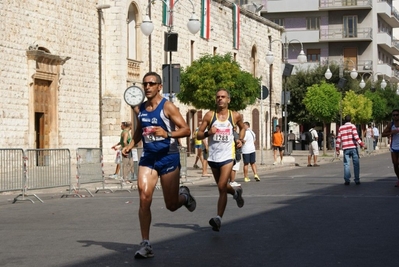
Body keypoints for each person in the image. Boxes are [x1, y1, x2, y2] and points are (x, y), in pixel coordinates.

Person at [122, 72, 195, 259]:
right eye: (145, 84)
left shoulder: (167, 107)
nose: (147, 87)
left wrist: (167, 134)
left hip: (168, 157)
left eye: (151, 84)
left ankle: (184, 197)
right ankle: (145, 244)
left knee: (171, 205)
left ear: (159, 87)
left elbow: (186, 129)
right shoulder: (141, 109)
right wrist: (130, 145)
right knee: (144, 196)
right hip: (149, 157)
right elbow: (140, 130)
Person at [196, 88, 245, 232]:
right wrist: (207, 133)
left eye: (223, 97)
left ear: (228, 99)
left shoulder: (235, 116)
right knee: (222, 187)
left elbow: (242, 128)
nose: (220, 99)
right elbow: (198, 135)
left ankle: (218, 218)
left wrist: (240, 139)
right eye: (218, 97)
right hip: (213, 157)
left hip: (228, 156)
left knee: (222, 185)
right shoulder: (209, 116)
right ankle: (236, 193)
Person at [335, 115, 366, 185]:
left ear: (344, 120)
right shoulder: (353, 126)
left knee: (346, 164)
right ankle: (357, 179)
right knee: (356, 164)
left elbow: (338, 139)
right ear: (351, 119)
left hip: (345, 148)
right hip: (353, 147)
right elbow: (356, 136)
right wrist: (362, 144)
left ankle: (347, 180)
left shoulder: (341, 128)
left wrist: (337, 149)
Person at [381, 109, 399, 187]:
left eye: (397, 115)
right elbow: (383, 134)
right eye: (394, 115)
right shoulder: (391, 125)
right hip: (394, 147)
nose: (395, 116)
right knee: (395, 164)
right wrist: (392, 132)